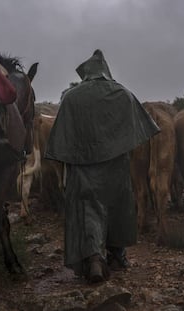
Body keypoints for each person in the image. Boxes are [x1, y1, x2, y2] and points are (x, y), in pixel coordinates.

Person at [45, 49, 159, 283]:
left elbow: (60, 139)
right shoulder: (123, 94)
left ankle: (94, 258)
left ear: (86, 73)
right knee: (117, 208)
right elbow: (141, 131)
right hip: (116, 167)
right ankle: (117, 256)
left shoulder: (71, 97)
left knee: (88, 210)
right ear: (106, 71)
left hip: (82, 166)